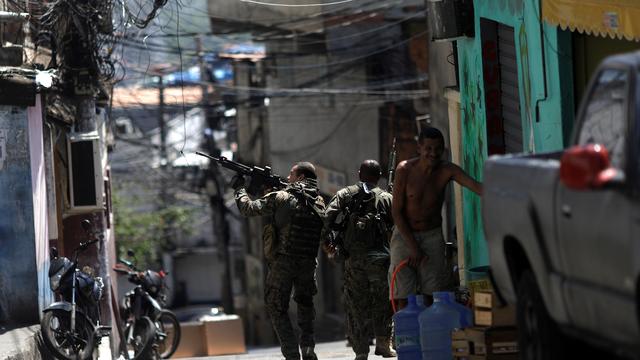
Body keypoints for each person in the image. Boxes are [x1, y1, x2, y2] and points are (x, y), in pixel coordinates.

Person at [232, 162, 326, 360]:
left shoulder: (282, 197)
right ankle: (308, 349)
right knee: (305, 304)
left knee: (276, 306)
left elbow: (248, 208)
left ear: (300, 176)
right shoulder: (318, 201)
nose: (288, 177)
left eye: (291, 174)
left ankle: (292, 354)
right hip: (308, 262)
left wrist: (239, 188)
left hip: (283, 261)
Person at [389, 127, 482, 308]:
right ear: (419, 148)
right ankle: (405, 335)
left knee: (434, 293)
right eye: (428, 148)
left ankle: (431, 332)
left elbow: (477, 187)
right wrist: (413, 246)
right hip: (404, 235)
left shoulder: (447, 170)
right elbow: (396, 213)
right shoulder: (405, 169)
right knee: (402, 295)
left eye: (438, 149)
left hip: (432, 236)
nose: (433, 153)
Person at [324, 160, 396, 360]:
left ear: (359, 174)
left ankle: (361, 351)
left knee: (356, 304)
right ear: (379, 175)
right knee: (383, 301)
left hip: (353, 260)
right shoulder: (387, 198)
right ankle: (383, 344)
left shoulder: (345, 194)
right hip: (380, 260)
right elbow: (399, 225)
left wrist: (328, 244)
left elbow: (326, 216)